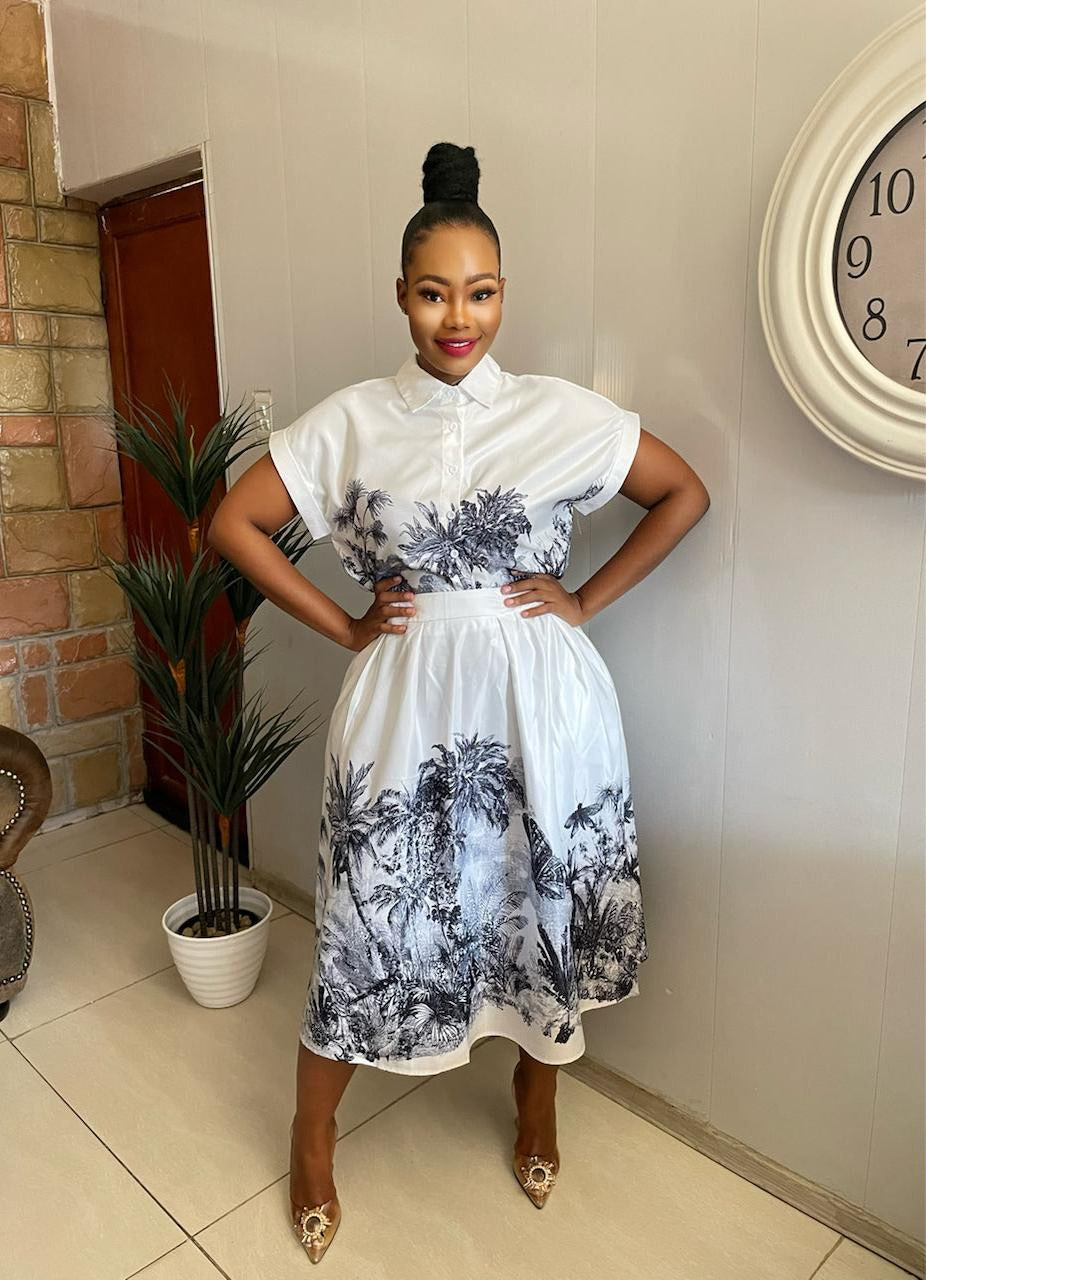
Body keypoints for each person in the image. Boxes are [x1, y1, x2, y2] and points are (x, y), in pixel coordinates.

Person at [207, 140, 709, 1263]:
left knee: (536, 898)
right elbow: (232, 523)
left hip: (543, 701)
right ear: (401, 295)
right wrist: (342, 623)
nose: (457, 317)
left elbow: (682, 491)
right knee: (370, 915)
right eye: (434, 293)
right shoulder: (350, 420)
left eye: (479, 292)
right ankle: (311, 1135)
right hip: (404, 706)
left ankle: (537, 1099)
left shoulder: (559, 412)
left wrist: (583, 598)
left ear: (502, 295)